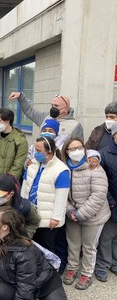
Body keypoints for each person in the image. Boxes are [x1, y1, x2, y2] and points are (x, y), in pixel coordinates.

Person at [0, 207, 71, 300]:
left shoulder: (23, 253)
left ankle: (34, 299)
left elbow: (25, 290)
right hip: (25, 282)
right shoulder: (4, 239)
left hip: (46, 285)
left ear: (4, 227)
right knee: (2, 290)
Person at [61, 138, 110, 290]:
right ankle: (72, 268)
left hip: (93, 215)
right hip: (72, 215)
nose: (76, 151)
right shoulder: (64, 169)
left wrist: (81, 214)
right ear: (66, 152)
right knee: (73, 244)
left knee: (89, 246)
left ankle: (87, 274)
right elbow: (62, 193)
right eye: (72, 149)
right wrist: (70, 211)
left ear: (84, 148)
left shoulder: (94, 167)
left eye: (79, 147)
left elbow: (99, 195)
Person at [21, 137, 70, 255]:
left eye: (38, 150)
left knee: (47, 249)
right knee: (31, 246)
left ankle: (49, 272)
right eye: (34, 150)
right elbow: (25, 187)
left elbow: (61, 197)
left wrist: (55, 218)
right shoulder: (33, 164)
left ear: (49, 152)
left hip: (48, 219)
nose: (35, 153)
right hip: (30, 215)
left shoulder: (61, 170)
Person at [9, 91, 84, 143]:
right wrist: (20, 97)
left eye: (56, 105)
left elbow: (78, 148)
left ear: (66, 108)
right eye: (52, 105)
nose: (53, 108)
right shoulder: (46, 117)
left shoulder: (75, 126)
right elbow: (30, 111)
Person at [0, 108, 28, 188]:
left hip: (9, 187)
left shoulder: (20, 141)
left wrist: (6, 185)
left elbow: (17, 166)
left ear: (7, 121)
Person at [94, 122, 117, 282]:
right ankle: (102, 265)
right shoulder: (104, 154)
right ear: (114, 136)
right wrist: (111, 201)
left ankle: (114, 263)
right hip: (111, 203)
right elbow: (102, 182)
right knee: (107, 237)